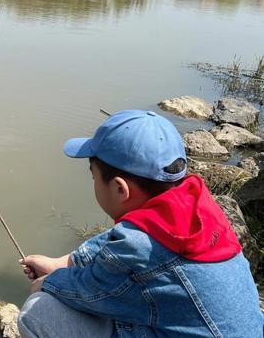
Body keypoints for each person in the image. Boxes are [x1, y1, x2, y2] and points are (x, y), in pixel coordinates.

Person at [18, 110, 263, 337]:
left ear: (119, 189)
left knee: (38, 311)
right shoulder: (197, 209)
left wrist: (47, 282)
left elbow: (90, 291)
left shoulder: (138, 249)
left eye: (94, 177)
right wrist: (60, 263)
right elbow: (119, 238)